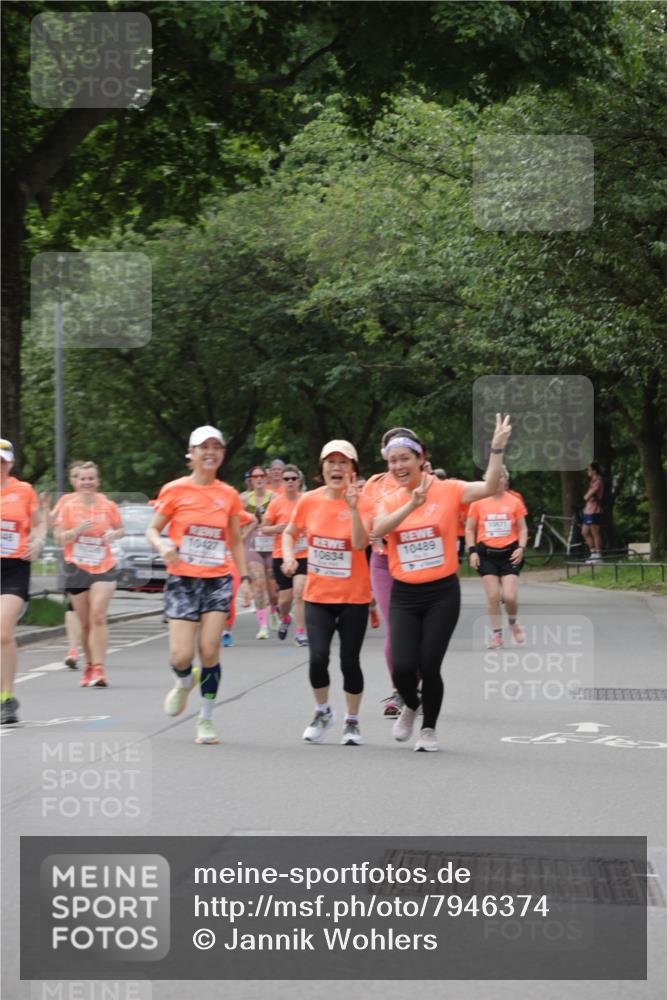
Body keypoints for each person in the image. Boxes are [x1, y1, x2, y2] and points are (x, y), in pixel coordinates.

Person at [373, 415, 512, 752]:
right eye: (392, 461)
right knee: (404, 668)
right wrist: (412, 504)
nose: (398, 466)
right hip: (404, 593)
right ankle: (412, 704)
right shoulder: (390, 498)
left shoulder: (447, 490)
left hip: (441, 593)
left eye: (405, 458)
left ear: (422, 459)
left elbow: (490, 486)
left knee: (428, 664)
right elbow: (378, 530)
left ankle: (429, 730)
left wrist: (496, 449)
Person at [146, 426, 252, 745]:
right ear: (190, 454)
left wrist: (245, 579)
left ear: (222, 454)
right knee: (181, 655)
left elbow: (234, 542)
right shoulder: (175, 490)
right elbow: (153, 529)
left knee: (209, 649)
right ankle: (183, 681)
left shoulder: (228, 494)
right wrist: (164, 546)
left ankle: (205, 719)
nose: (210, 452)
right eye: (203, 447)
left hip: (217, 579)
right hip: (183, 578)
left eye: (216, 447)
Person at [282, 440, 373, 746]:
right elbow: (289, 532)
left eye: (343, 463)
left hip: (353, 598)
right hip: (318, 596)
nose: (337, 468)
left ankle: (352, 720)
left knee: (349, 661)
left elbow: (361, 544)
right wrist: (289, 556)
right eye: (331, 463)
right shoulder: (309, 500)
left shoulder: (365, 501)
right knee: (318, 657)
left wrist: (353, 507)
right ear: (321, 470)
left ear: (353, 470)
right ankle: (322, 711)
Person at [54, 462, 124, 688]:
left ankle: (100, 669)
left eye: (91, 478)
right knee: (84, 624)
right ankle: (89, 665)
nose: (87, 482)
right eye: (83, 479)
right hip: (76, 567)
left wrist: (113, 535)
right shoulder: (67, 506)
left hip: (103, 566)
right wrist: (75, 531)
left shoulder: (108, 505)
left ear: (98, 481)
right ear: (76, 481)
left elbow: (120, 528)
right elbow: (58, 538)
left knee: (98, 617)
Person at [361, 429, 413, 717]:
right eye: (390, 450)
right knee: (396, 629)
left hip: (417, 562)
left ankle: (416, 683)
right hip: (383, 561)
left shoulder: (424, 481)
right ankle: (400, 691)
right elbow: (367, 525)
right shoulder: (374, 484)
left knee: (416, 631)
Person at [1, 440, 46, 724]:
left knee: (3, 632)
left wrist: (39, 540)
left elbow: (39, 523)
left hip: (14, 568)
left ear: (11, 463)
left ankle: (6, 698)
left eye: (2, 461)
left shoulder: (24, 491)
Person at [465, 465, 527, 649]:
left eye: (501, 477)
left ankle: (513, 622)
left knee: (509, 597)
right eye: (495, 477)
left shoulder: (514, 501)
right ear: (487, 480)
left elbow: (522, 528)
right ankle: (497, 635)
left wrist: (522, 547)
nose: (499, 480)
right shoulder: (478, 502)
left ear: (506, 480)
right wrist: (472, 551)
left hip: (510, 554)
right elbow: (469, 528)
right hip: (487, 555)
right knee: (493, 596)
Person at [44, 459, 86, 669]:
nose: (81, 481)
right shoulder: (67, 501)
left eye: (85, 477)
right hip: (74, 559)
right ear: (72, 480)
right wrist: (45, 507)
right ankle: (73, 649)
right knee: (71, 604)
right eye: (77, 477)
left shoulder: (99, 501)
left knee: (92, 610)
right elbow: (52, 523)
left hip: (98, 563)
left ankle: (92, 647)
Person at [260, 464, 309, 645]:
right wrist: (276, 528)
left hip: (303, 554)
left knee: (299, 593)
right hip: (281, 556)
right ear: (281, 482)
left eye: (293, 479)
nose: (290, 482)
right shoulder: (276, 503)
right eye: (286, 479)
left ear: (299, 481)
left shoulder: (306, 500)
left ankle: (300, 633)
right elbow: (263, 528)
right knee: (285, 599)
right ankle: (285, 618)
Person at [244, 466, 278, 638]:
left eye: (261, 476)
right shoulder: (243, 499)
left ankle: (273, 609)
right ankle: (262, 626)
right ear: (250, 479)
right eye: (254, 476)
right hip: (252, 546)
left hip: (271, 546)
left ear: (266, 479)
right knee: (258, 585)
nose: (258, 479)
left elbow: (281, 519)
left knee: (273, 591)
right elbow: (236, 522)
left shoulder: (274, 498)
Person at [582, 462, 604, 564]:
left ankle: (599, 555)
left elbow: (587, 496)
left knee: (595, 532)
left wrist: (587, 496)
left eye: (589, 470)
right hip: (588, 509)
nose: (587, 472)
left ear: (594, 471)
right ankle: (593, 553)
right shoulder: (592, 481)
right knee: (584, 532)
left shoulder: (598, 481)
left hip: (594, 509)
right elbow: (586, 496)